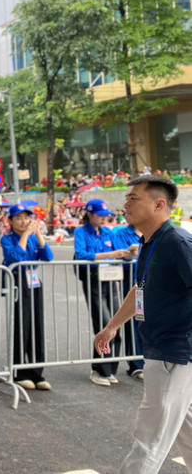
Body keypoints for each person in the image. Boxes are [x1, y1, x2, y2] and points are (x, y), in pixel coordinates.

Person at [95, 176, 192, 474]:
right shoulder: (149, 241)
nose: (125, 204)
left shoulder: (177, 242)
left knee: (150, 437)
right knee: (186, 429)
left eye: (133, 198)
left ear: (159, 204)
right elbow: (140, 289)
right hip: (162, 348)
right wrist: (112, 326)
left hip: (173, 352)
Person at [74, 199, 137, 387]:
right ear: (90, 214)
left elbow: (120, 253)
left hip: (111, 279)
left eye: (105, 216)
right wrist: (112, 255)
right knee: (103, 323)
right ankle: (99, 369)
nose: (103, 219)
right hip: (94, 280)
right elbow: (82, 255)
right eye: (99, 215)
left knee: (116, 323)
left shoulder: (109, 232)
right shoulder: (80, 232)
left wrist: (129, 253)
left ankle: (110, 369)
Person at [1, 205, 54, 390]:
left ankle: (37, 373)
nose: (24, 222)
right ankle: (19, 372)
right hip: (17, 282)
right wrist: (24, 236)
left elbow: (48, 257)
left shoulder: (32, 238)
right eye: (19, 218)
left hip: (33, 282)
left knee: (36, 326)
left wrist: (38, 234)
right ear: (11, 221)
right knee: (20, 327)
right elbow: (15, 257)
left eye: (26, 218)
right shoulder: (7, 239)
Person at [111, 222, 144, 379]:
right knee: (136, 320)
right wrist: (131, 254)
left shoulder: (153, 231)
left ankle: (152, 361)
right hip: (134, 282)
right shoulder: (121, 234)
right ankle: (136, 364)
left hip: (154, 282)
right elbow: (119, 257)